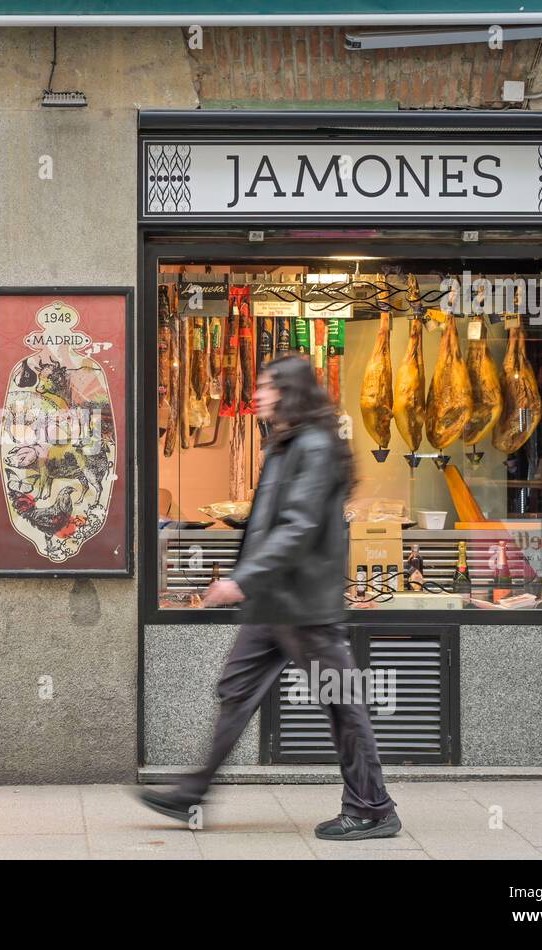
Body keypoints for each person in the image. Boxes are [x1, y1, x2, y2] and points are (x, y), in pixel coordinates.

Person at [138, 355, 401, 841]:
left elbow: (297, 525)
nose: (257, 395)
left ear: (290, 391)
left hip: (305, 605)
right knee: (236, 691)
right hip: (275, 602)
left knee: (341, 702)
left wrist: (243, 579)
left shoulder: (315, 446)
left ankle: (372, 808)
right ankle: (190, 793)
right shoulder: (285, 443)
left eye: (266, 387)